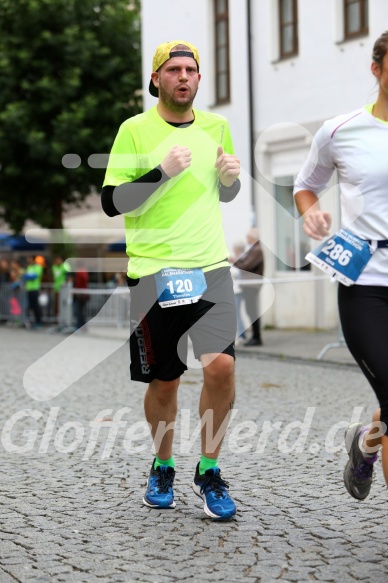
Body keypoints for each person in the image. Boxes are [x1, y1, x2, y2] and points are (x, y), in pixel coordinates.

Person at [101, 40, 241, 519]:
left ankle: (209, 469)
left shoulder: (218, 126)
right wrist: (161, 172)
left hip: (210, 267)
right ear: (156, 78)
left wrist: (231, 178)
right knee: (166, 382)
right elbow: (112, 202)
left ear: (199, 79)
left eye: (191, 70)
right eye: (173, 69)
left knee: (221, 367)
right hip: (154, 273)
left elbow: (226, 194)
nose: (184, 76)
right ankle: (163, 464)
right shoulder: (134, 130)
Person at [293, 31, 388, 502]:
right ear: (377, 69)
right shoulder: (341, 129)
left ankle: (365, 445)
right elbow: (305, 184)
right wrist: (310, 210)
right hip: (367, 281)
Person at [232, 227, 264, 346]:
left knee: (251, 310)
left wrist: (235, 261)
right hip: (249, 285)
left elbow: (247, 266)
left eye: (248, 237)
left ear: (252, 238)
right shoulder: (253, 249)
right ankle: (255, 336)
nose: (246, 239)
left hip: (252, 285)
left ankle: (257, 337)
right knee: (250, 310)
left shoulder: (256, 250)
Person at [229, 241, 246, 344]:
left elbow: (237, 273)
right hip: (234, 290)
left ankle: (241, 334)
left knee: (236, 313)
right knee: (236, 313)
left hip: (238, 290)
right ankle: (241, 333)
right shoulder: (237, 258)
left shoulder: (241, 259)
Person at [23, 255, 45, 328]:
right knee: (31, 306)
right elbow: (25, 277)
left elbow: (34, 276)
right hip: (29, 289)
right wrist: (28, 276)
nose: (28, 260)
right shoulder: (29, 267)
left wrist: (28, 276)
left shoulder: (38, 267)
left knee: (36, 306)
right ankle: (32, 321)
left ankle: (39, 322)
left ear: (33, 259)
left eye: (29, 259)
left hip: (35, 289)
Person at [71, 261, 89, 331]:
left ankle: (79, 326)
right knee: (82, 311)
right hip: (84, 294)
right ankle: (83, 326)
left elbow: (78, 284)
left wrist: (75, 291)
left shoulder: (79, 272)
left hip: (80, 294)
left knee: (78, 311)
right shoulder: (84, 272)